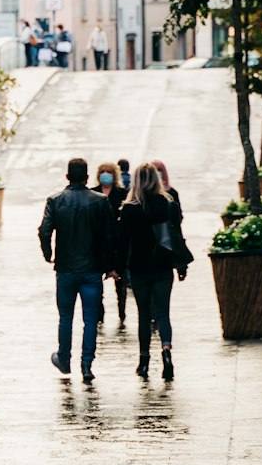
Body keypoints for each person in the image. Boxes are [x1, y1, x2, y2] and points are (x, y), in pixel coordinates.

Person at [38, 157, 116, 383]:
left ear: (67, 176)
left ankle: (64, 358)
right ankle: (86, 364)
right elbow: (110, 236)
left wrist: (49, 255)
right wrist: (109, 265)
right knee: (90, 319)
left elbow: (44, 231)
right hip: (92, 269)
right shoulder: (100, 201)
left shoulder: (55, 201)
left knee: (65, 317)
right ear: (87, 176)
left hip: (65, 268)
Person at [117, 162, 189, 382]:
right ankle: (166, 351)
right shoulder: (168, 205)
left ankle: (144, 359)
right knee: (163, 313)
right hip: (163, 266)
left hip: (139, 268)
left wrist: (118, 269)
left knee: (144, 315)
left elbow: (123, 243)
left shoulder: (129, 209)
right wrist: (181, 265)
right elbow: (177, 237)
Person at [93, 161, 129, 327]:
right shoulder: (92, 194)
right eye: (103, 171)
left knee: (120, 281)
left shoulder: (122, 194)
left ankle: (122, 311)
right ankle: (100, 313)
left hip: (117, 241)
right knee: (96, 283)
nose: (105, 174)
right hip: (98, 243)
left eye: (109, 172)